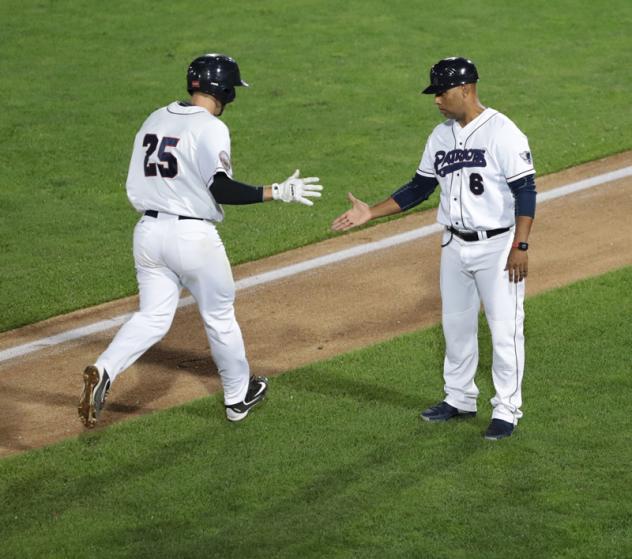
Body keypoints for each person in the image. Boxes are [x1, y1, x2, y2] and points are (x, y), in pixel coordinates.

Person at [78, 53, 323, 428]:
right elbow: (221, 188)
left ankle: (105, 367)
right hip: (192, 236)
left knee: (153, 316)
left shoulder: (155, 117)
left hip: (148, 234)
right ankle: (237, 397)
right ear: (225, 90)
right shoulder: (210, 127)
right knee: (219, 316)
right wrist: (277, 191)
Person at [331, 56, 536, 440]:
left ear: (466, 89)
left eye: (442, 92)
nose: (437, 100)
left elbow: (526, 190)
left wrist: (520, 245)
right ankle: (459, 398)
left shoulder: (503, 132)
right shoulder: (441, 136)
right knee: (456, 326)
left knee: (505, 330)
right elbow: (419, 187)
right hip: (454, 245)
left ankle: (507, 409)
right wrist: (371, 212)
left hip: (497, 247)